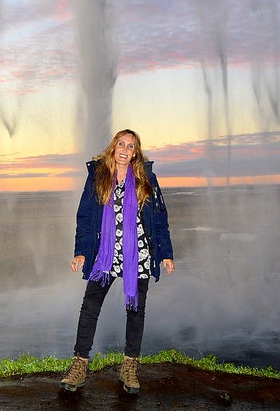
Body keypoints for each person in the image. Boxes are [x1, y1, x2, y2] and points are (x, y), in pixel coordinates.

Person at [60, 129, 175, 395]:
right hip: (105, 253)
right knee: (90, 306)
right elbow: (86, 216)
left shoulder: (146, 178)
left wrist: (166, 253)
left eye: (131, 146)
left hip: (139, 253)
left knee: (136, 311)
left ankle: (129, 367)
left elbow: (159, 218)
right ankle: (79, 366)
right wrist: (81, 252)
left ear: (137, 152)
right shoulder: (98, 176)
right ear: (113, 147)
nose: (125, 149)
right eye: (121, 144)